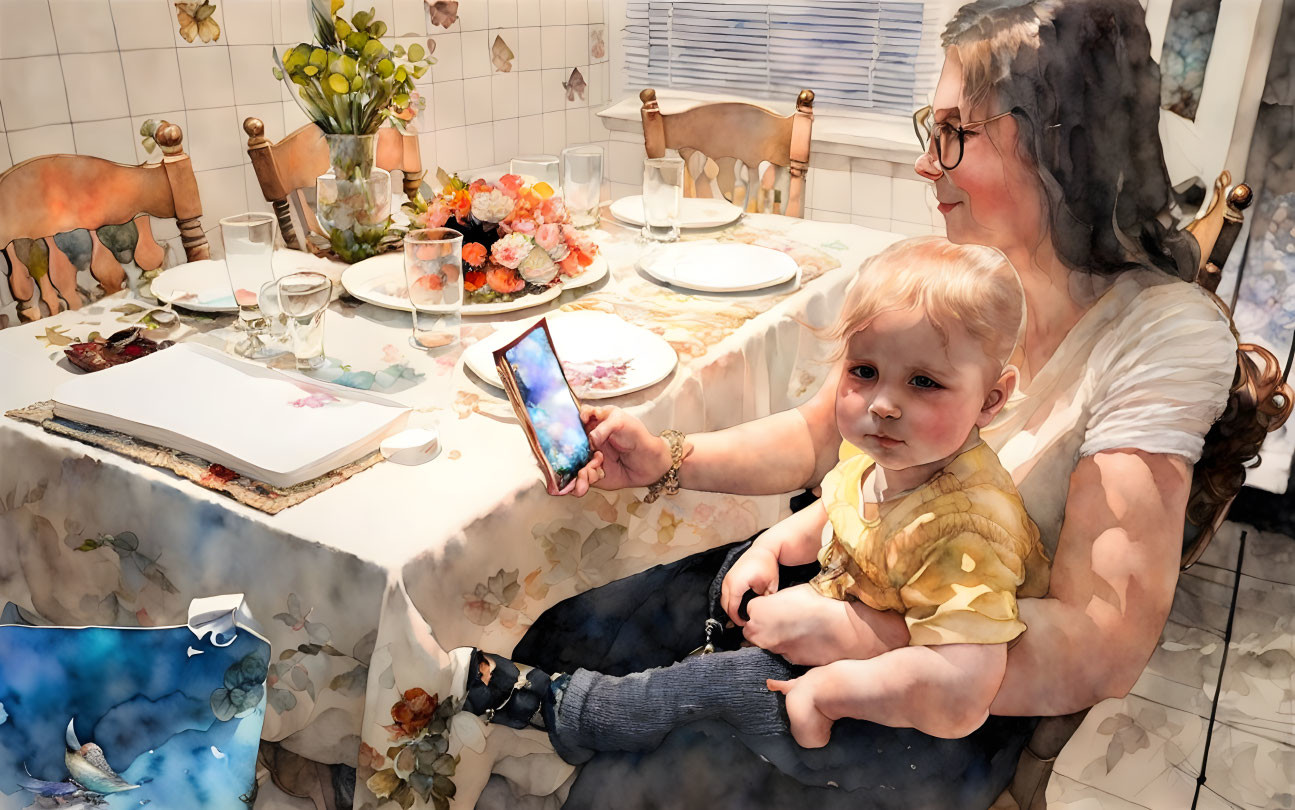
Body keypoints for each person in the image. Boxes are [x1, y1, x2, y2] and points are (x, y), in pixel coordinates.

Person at [512, 0, 1238, 807]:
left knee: (624, 781)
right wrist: (667, 459)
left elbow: (1100, 646)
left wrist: (869, 640)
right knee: (569, 635)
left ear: (1059, 138)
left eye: (954, 132)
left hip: (937, 715)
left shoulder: (1157, 334)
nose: (927, 164)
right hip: (850, 587)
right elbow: (817, 437)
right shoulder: (962, 279)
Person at [460, 237, 1052, 757]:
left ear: (992, 400)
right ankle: (624, 668)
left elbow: (960, 694)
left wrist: (827, 691)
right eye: (864, 371)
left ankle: (576, 710)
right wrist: (771, 545)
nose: (883, 404)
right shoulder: (899, 453)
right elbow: (840, 505)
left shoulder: (968, 529)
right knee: (722, 579)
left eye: (924, 382)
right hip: (850, 613)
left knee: (721, 685)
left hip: (896, 716)